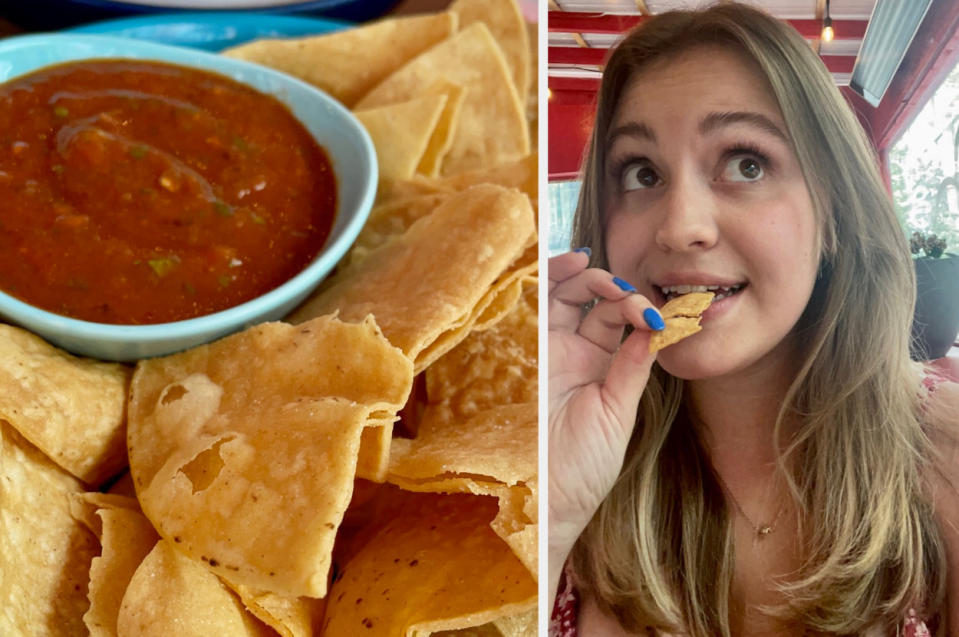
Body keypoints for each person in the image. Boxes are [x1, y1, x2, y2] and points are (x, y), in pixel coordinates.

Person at [547, 4, 959, 636]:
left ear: (834, 211)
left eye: (746, 162)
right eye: (642, 172)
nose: (681, 226)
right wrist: (544, 524)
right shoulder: (556, 444)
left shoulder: (944, 456)